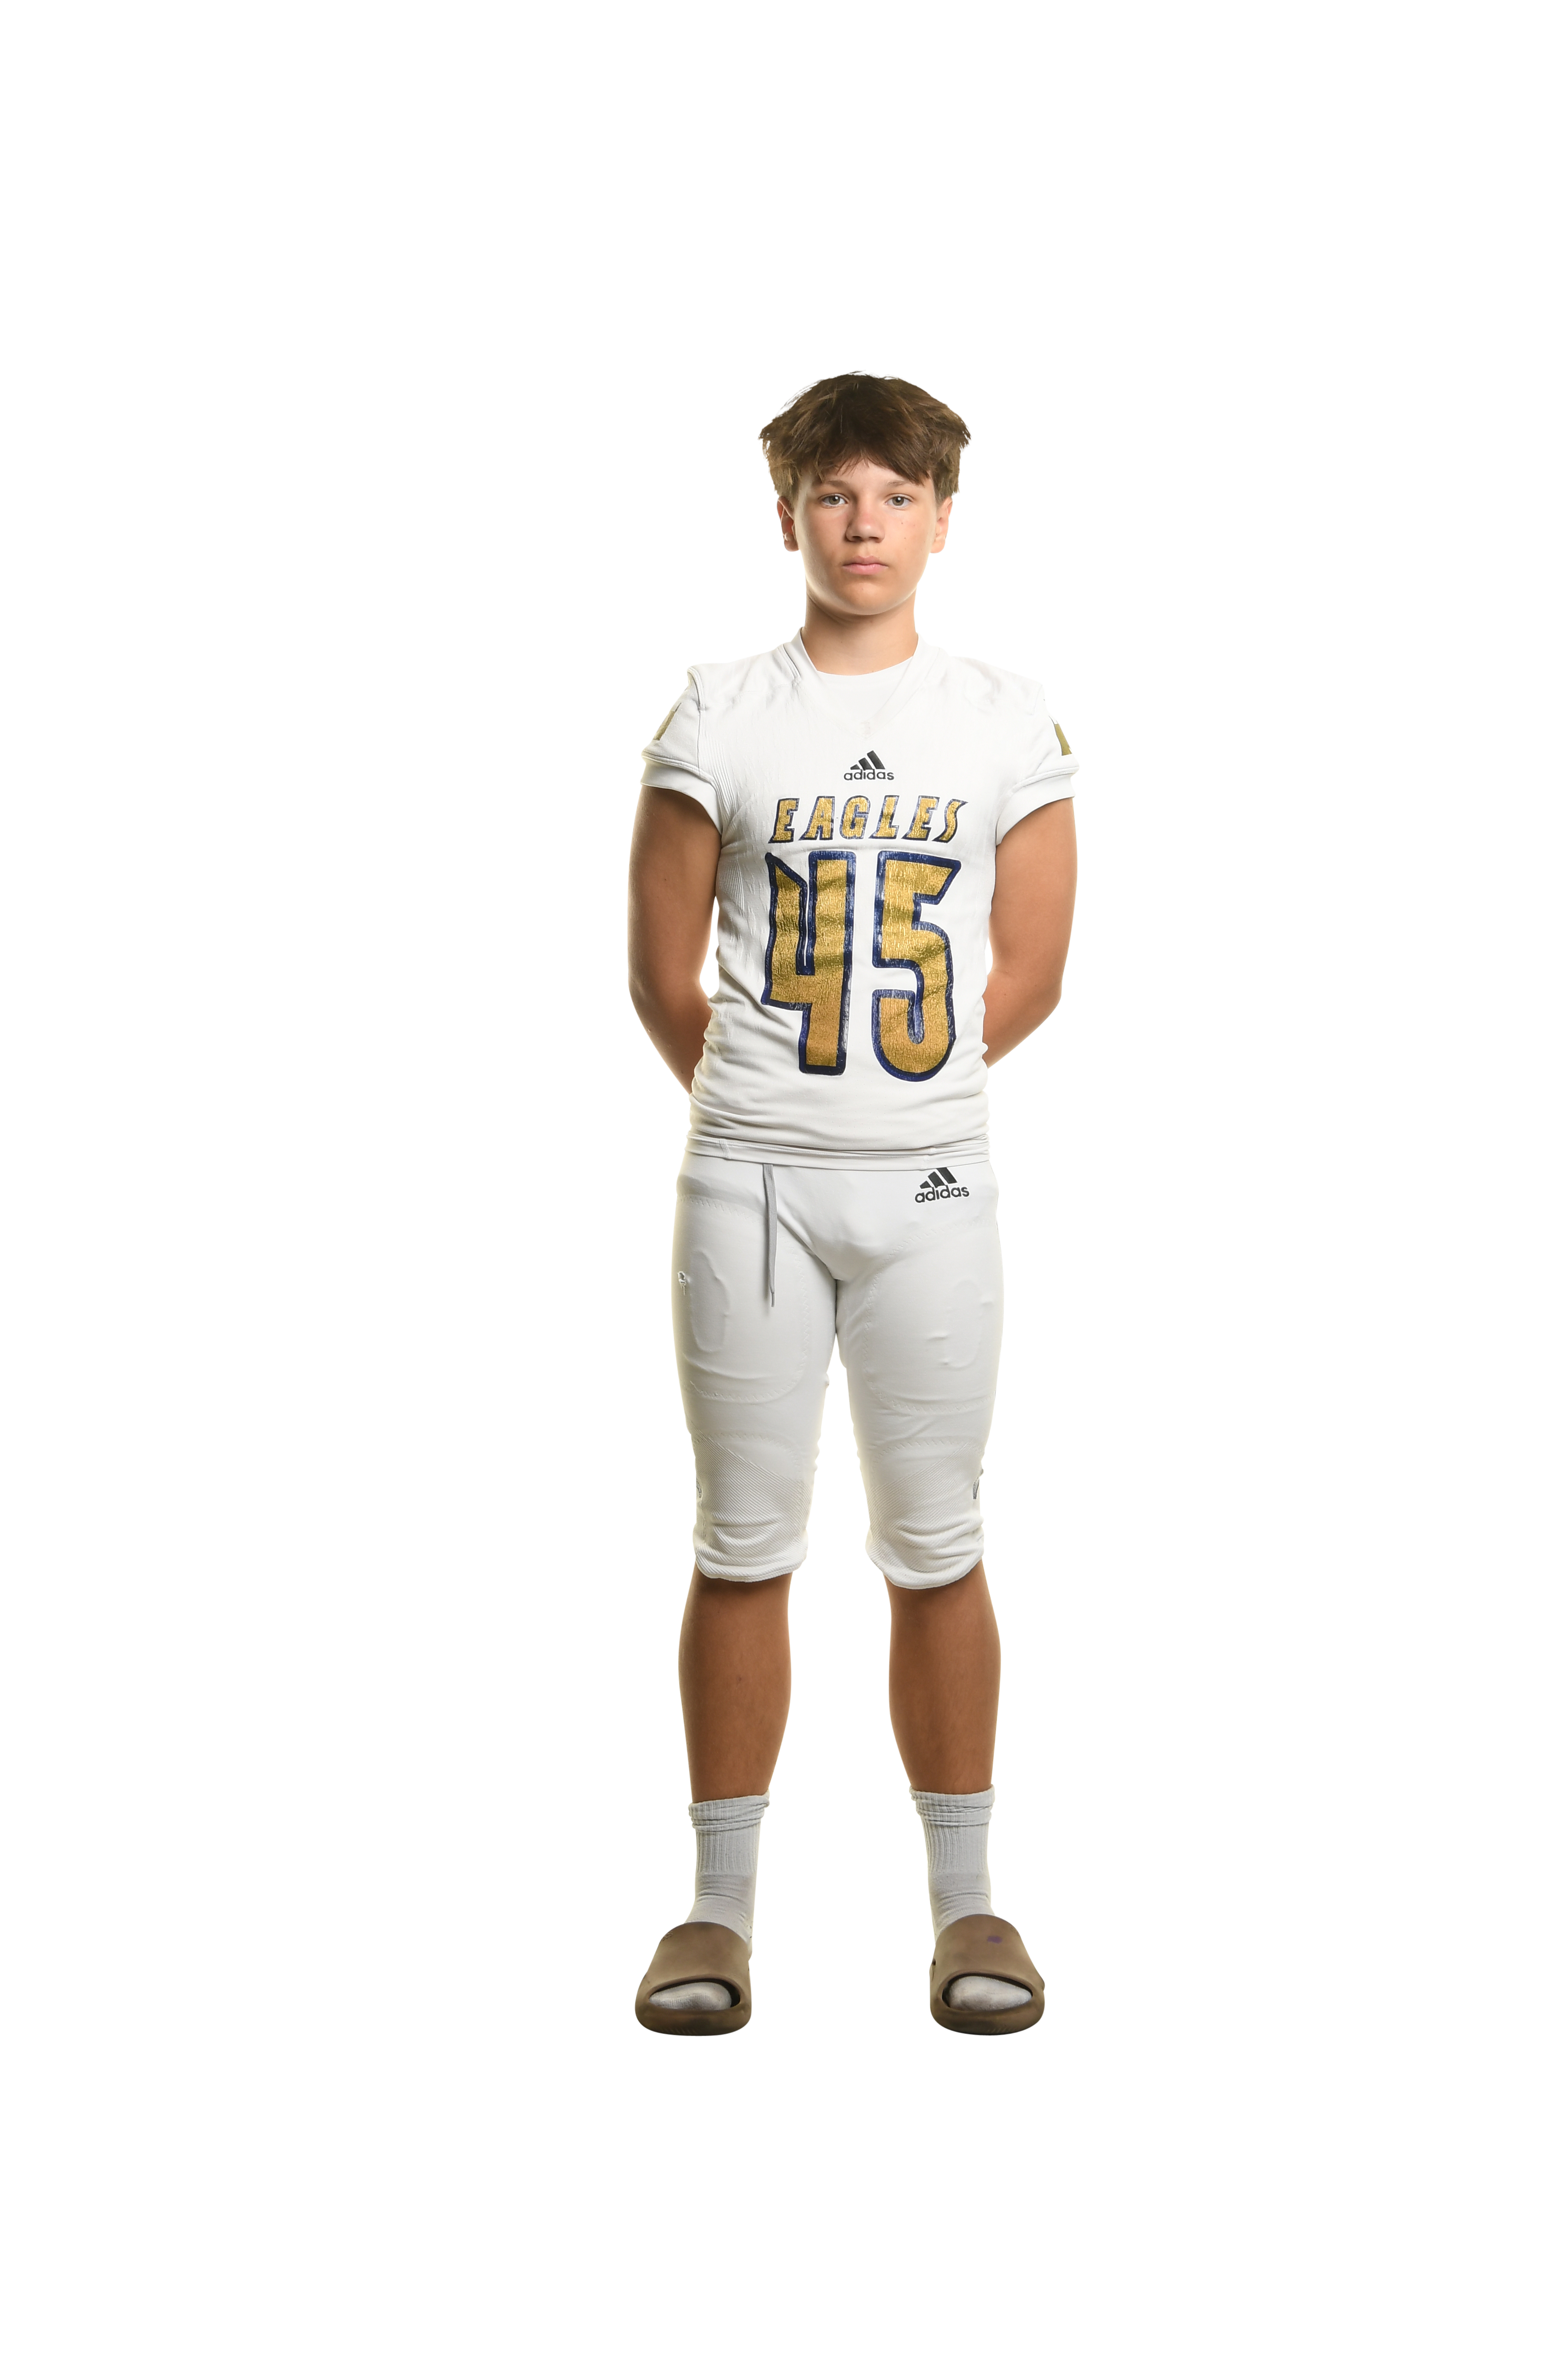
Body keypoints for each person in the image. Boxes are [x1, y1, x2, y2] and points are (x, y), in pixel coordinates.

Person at [627, 368, 1078, 2035]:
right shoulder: (718, 710)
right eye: (834, 494)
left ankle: (969, 1906)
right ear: (789, 512)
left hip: (932, 1184)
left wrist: (892, 1101)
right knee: (743, 1541)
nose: (865, 523)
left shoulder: (1003, 718)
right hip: (750, 1183)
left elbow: (1030, 969)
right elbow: (658, 973)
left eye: (896, 494)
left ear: (943, 515)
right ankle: (715, 1910)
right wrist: (779, 1109)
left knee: (937, 1542)